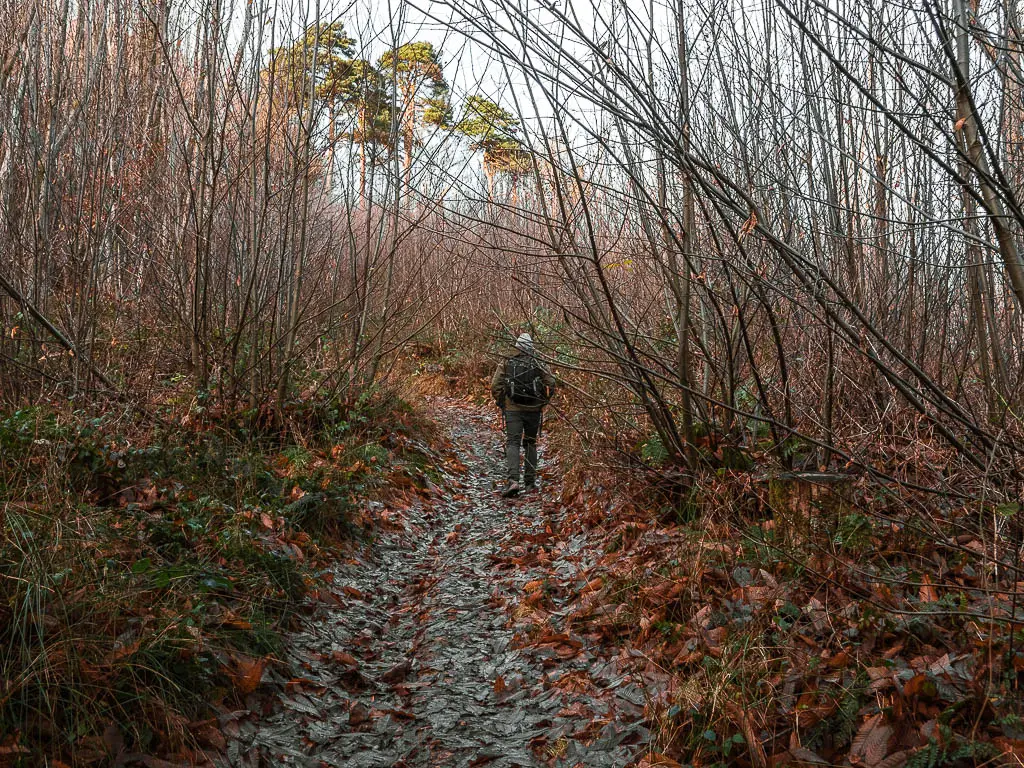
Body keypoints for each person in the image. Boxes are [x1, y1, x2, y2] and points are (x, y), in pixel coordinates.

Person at [491, 332, 556, 497]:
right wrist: (542, 402)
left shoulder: (507, 361)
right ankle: (530, 483)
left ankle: (513, 481)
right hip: (533, 410)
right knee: (530, 443)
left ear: (518, 346)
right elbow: (551, 383)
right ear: (531, 347)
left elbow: (495, 385)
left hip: (512, 409)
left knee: (513, 442)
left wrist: (503, 402)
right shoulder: (538, 363)